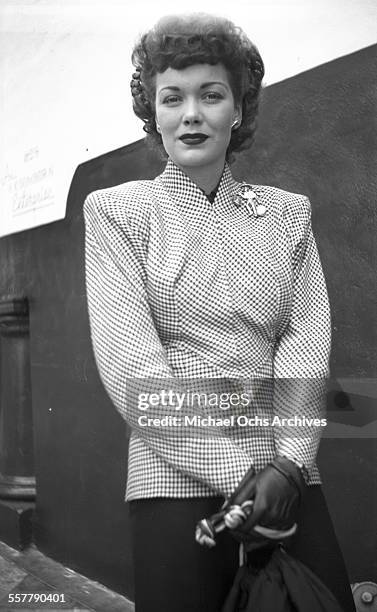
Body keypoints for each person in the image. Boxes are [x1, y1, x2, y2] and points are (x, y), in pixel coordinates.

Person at [83, 12, 356, 612]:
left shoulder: (288, 217)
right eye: (172, 97)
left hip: (288, 476)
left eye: (211, 95)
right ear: (153, 113)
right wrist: (244, 479)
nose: (191, 114)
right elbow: (135, 368)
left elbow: (307, 348)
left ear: (238, 109)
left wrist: (285, 470)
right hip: (171, 470)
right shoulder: (117, 214)